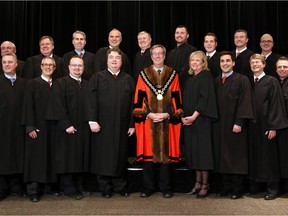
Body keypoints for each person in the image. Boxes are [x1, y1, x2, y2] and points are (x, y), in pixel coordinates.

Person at [133, 44, 183, 198]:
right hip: (150, 121)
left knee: (166, 157)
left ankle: (166, 188)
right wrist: (148, 114)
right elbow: (139, 99)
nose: (157, 56)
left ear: (164, 55)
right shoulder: (143, 74)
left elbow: (177, 99)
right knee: (148, 156)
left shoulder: (173, 74)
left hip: (167, 121)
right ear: (151, 56)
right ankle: (148, 187)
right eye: (154, 54)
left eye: (160, 54)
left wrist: (168, 114)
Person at [86, 48, 135, 198]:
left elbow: (134, 104)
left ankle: (120, 186)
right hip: (102, 125)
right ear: (107, 60)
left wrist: (132, 124)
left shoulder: (128, 79)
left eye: (117, 58)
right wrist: (92, 120)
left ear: (121, 61)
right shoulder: (98, 77)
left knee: (120, 155)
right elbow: (90, 100)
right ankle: (105, 187)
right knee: (103, 156)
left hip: (122, 125)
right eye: (111, 58)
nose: (114, 60)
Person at [46, 56, 90, 200]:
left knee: (80, 157)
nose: (77, 68)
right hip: (66, 128)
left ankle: (79, 185)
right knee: (67, 158)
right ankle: (68, 188)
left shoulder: (87, 84)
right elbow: (57, 105)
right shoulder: (61, 83)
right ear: (69, 67)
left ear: (83, 67)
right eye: (74, 65)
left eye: (80, 66)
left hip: (83, 128)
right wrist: (66, 124)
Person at [213, 51, 255, 199]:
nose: (225, 63)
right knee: (223, 156)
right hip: (220, 126)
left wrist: (239, 122)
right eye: (222, 61)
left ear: (233, 63)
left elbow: (245, 102)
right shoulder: (217, 80)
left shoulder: (241, 80)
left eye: (227, 61)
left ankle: (237, 188)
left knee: (236, 157)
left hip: (235, 125)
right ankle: (226, 186)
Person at [248, 54, 288, 200]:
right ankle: (257, 186)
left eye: (258, 62)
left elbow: (276, 104)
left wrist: (273, 126)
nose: (255, 65)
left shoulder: (271, 81)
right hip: (253, 126)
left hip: (267, 126)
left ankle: (272, 189)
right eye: (252, 62)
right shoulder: (248, 81)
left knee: (269, 157)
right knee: (256, 155)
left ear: (264, 64)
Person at [22, 57, 61, 202]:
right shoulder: (32, 83)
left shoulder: (58, 84)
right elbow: (27, 106)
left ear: (55, 67)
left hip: (53, 127)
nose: (48, 67)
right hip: (37, 127)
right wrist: (30, 126)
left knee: (50, 156)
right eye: (46, 65)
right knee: (36, 158)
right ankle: (33, 190)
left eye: (51, 65)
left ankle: (48, 187)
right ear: (41, 66)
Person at [182, 51, 218, 198]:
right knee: (193, 152)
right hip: (190, 121)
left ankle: (205, 184)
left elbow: (204, 99)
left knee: (203, 153)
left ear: (204, 63)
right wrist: (184, 117)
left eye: (198, 60)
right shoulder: (190, 79)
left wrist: (194, 116)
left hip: (202, 120)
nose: (195, 63)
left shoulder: (206, 77)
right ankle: (197, 183)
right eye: (193, 60)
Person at [0, 53, 27, 201]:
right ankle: (2, 187)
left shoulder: (24, 83)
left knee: (18, 155)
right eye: (4, 62)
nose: (7, 64)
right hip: (2, 127)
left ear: (16, 64)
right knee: (3, 156)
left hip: (19, 126)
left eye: (10, 62)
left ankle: (16, 186)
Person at [165, 25, 197, 90]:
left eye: (182, 33)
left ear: (187, 36)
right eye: (177, 33)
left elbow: (187, 70)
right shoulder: (170, 53)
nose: (179, 35)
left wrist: (174, 80)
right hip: (171, 87)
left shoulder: (192, 51)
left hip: (186, 87)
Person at [275, 56, 288, 193]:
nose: (282, 69)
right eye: (280, 67)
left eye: (285, 67)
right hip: (279, 126)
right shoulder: (274, 82)